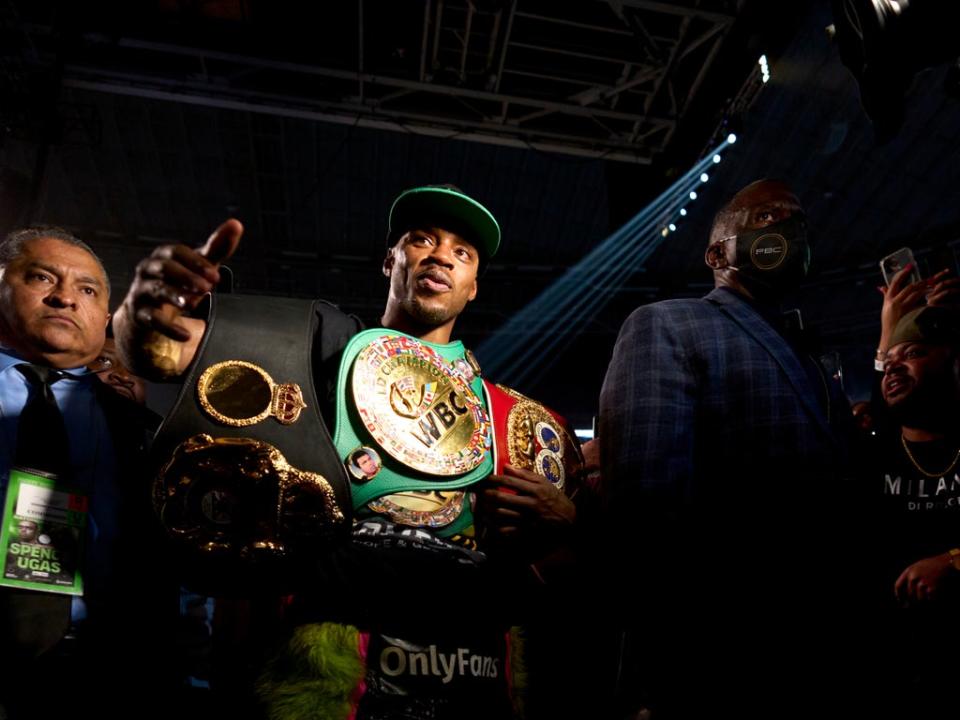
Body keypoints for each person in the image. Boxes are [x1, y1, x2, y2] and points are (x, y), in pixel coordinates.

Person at [113, 185, 582, 720]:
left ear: (474, 287)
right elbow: (161, 352)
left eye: (462, 253)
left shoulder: (511, 417)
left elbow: (572, 582)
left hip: (475, 672)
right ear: (390, 261)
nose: (440, 256)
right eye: (422, 240)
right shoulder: (318, 347)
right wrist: (144, 310)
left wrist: (565, 526)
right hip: (318, 667)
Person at [599, 179, 854, 718]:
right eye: (766, 219)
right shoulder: (667, 324)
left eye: (796, 220)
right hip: (712, 670)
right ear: (718, 253)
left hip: (822, 664)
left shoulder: (815, 360)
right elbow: (644, 515)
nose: (788, 229)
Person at [0, 227, 177, 719]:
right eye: (41, 277)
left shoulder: (146, 431)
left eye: (88, 290)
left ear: (106, 318)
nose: (64, 297)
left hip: (107, 674)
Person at [858, 305, 960, 719]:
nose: (895, 367)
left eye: (914, 353)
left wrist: (954, 561)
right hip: (896, 678)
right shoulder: (864, 459)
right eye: (891, 360)